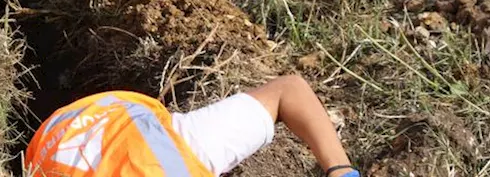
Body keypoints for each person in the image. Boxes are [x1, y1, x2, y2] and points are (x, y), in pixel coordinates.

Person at [25, 76, 360, 177]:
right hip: (61, 132)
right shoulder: (187, 152)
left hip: (86, 120)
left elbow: (289, 91)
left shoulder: (190, 146)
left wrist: (341, 170)